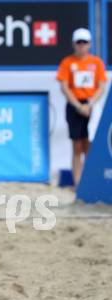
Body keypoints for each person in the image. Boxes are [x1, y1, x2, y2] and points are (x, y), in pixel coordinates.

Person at [56, 28, 107, 186]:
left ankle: (91, 181)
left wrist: (90, 104)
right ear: (74, 43)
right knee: (77, 146)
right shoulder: (67, 62)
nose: (81, 45)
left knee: (90, 145)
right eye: (79, 42)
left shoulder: (96, 62)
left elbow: (102, 86)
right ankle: (78, 183)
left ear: (90, 44)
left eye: (84, 42)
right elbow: (64, 87)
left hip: (92, 106)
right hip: (75, 106)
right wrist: (79, 106)